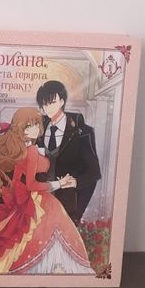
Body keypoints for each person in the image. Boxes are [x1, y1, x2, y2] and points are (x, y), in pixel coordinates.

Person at [0, 108, 94, 275]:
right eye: (28, 126)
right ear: (20, 129)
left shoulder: (23, 149)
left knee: (25, 238)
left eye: (36, 124)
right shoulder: (30, 151)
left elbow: (18, 180)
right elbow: (31, 185)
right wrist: (59, 184)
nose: (34, 129)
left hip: (26, 199)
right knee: (44, 233)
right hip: (36, 200)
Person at [36, 80, 101, 224]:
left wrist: (77, 183)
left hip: (66, 204)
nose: (48, 108)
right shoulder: (37, 129)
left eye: (52, 102)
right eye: (44, 104)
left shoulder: (81, 131)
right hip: (39, 202)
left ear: (62, 101)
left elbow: (94, 172)